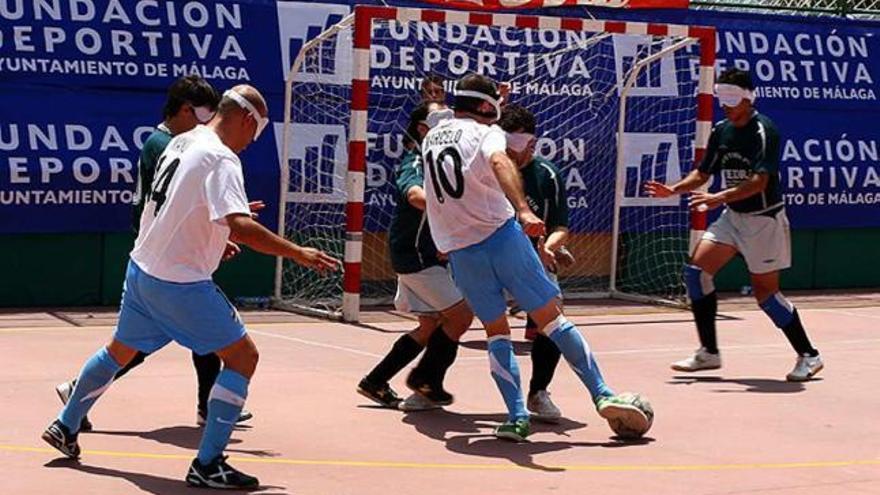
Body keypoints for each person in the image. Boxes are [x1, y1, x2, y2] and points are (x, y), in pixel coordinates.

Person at [42, 85, 340, 489]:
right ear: (248, 119)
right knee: (242, 358)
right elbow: (240, 224)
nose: (253, 141)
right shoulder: (222, 158)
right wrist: (297, 253)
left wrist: (217, 236)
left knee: (118, 351)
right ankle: (208, 463)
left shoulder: (184, 140)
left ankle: (65, 424)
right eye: (257, 131)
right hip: (177, 282)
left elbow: (175, 207)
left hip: (142, 269)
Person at [422, 73, 651, 441]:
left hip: (461, 252)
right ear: (485, 106)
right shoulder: (488, 135)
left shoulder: (434, 133)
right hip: (500, 237)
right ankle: (602, 393)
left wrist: (479, 100)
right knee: (552, 319)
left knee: (497, 332)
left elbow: (442, 113)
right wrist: (524, 209)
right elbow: (499, 161)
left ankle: (516, 417)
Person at [54, 75, 255, 432]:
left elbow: (190, 204)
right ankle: (208, 447)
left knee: (142, 346)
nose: (209, 121)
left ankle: (71, 412)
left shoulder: (172, 142)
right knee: (195, 346)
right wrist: (226, 222)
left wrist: (220, 222)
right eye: (204, 112)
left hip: (158, 254)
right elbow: (178, 204)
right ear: (184, 109)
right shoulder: (179, 145)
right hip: (167, 257)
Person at [644, 68, 822, 382]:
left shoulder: (764, 131)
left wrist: (717, 198)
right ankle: (709, 352)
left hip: (764, 221)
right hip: (732, 217)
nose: (725, 104)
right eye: (721, 96)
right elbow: (702, 174)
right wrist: (674, 189)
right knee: (697, 274)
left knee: (766, 295)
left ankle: (809, 354)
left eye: (732, 98)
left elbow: (759, 182)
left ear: (748, 98)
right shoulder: (721, 130)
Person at [358, 102, 474, 411]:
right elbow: (414, 195)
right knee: (461, 316)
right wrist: (451, 207)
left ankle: (375, 381)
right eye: (442, 120)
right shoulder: (416, 161)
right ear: (423, 129)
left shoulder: (448, 161)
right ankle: (426, 380)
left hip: (429, 256)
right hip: (416, 257)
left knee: (430, 326)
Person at [497, 104, 573, 423]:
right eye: (506, 147)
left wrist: (551, 247)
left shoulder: (547, 174)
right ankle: (428, 382)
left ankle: (538, 392)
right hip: (488, 256)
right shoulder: (490, 169)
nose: (511, 156)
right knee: (451, 317)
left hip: (531, 261)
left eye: (519, 148)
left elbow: (560, 227)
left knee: (553, 315)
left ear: (532, 144)